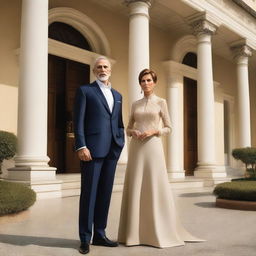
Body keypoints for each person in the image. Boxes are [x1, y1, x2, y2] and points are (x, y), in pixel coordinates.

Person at [118, 68, 203, 248]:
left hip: (153, 147)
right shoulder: (135, 104)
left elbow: (169, 128)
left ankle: (157, 230)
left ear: (154, 82)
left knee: (153, 185)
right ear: (139, 83)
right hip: (137, 147)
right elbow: (127, 127)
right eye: (143, 80)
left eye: (149, 80)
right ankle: (133, 234)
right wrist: (132, 131)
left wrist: (155, 131)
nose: (146, 83)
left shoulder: (161, 102)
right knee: (136, 185)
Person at [74, 56, 125, 254]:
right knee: (89, 194)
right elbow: (78, 120)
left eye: (105, 66)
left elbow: (118, 122)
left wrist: (119, 142)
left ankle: (100, 234)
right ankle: (85, 238)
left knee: (105, 194)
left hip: (112, 150)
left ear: (110, 70)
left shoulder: (118, 95)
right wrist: (81, 146)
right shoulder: (85, 91)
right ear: (94, 70)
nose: (102, 69)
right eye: (99, 67)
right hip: (91, 151)